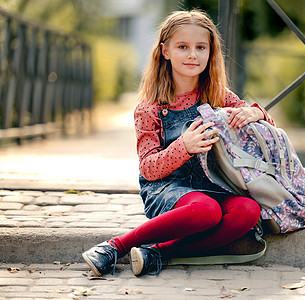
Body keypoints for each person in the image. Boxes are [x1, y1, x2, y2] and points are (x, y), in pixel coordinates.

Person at [82, 9, 276, 277]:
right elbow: (149, 168)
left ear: (211, 52)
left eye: (200, 47)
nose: (193, 55)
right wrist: (183, 146)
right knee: (205, 211)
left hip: (216, 186)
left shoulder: (219, 96)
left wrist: (257, 113)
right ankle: (115, 247)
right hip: (169, 190)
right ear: (165, 51)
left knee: (248, 210)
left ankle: (158, 253)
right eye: (182, 47)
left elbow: (265, 132)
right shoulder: (148, 109)